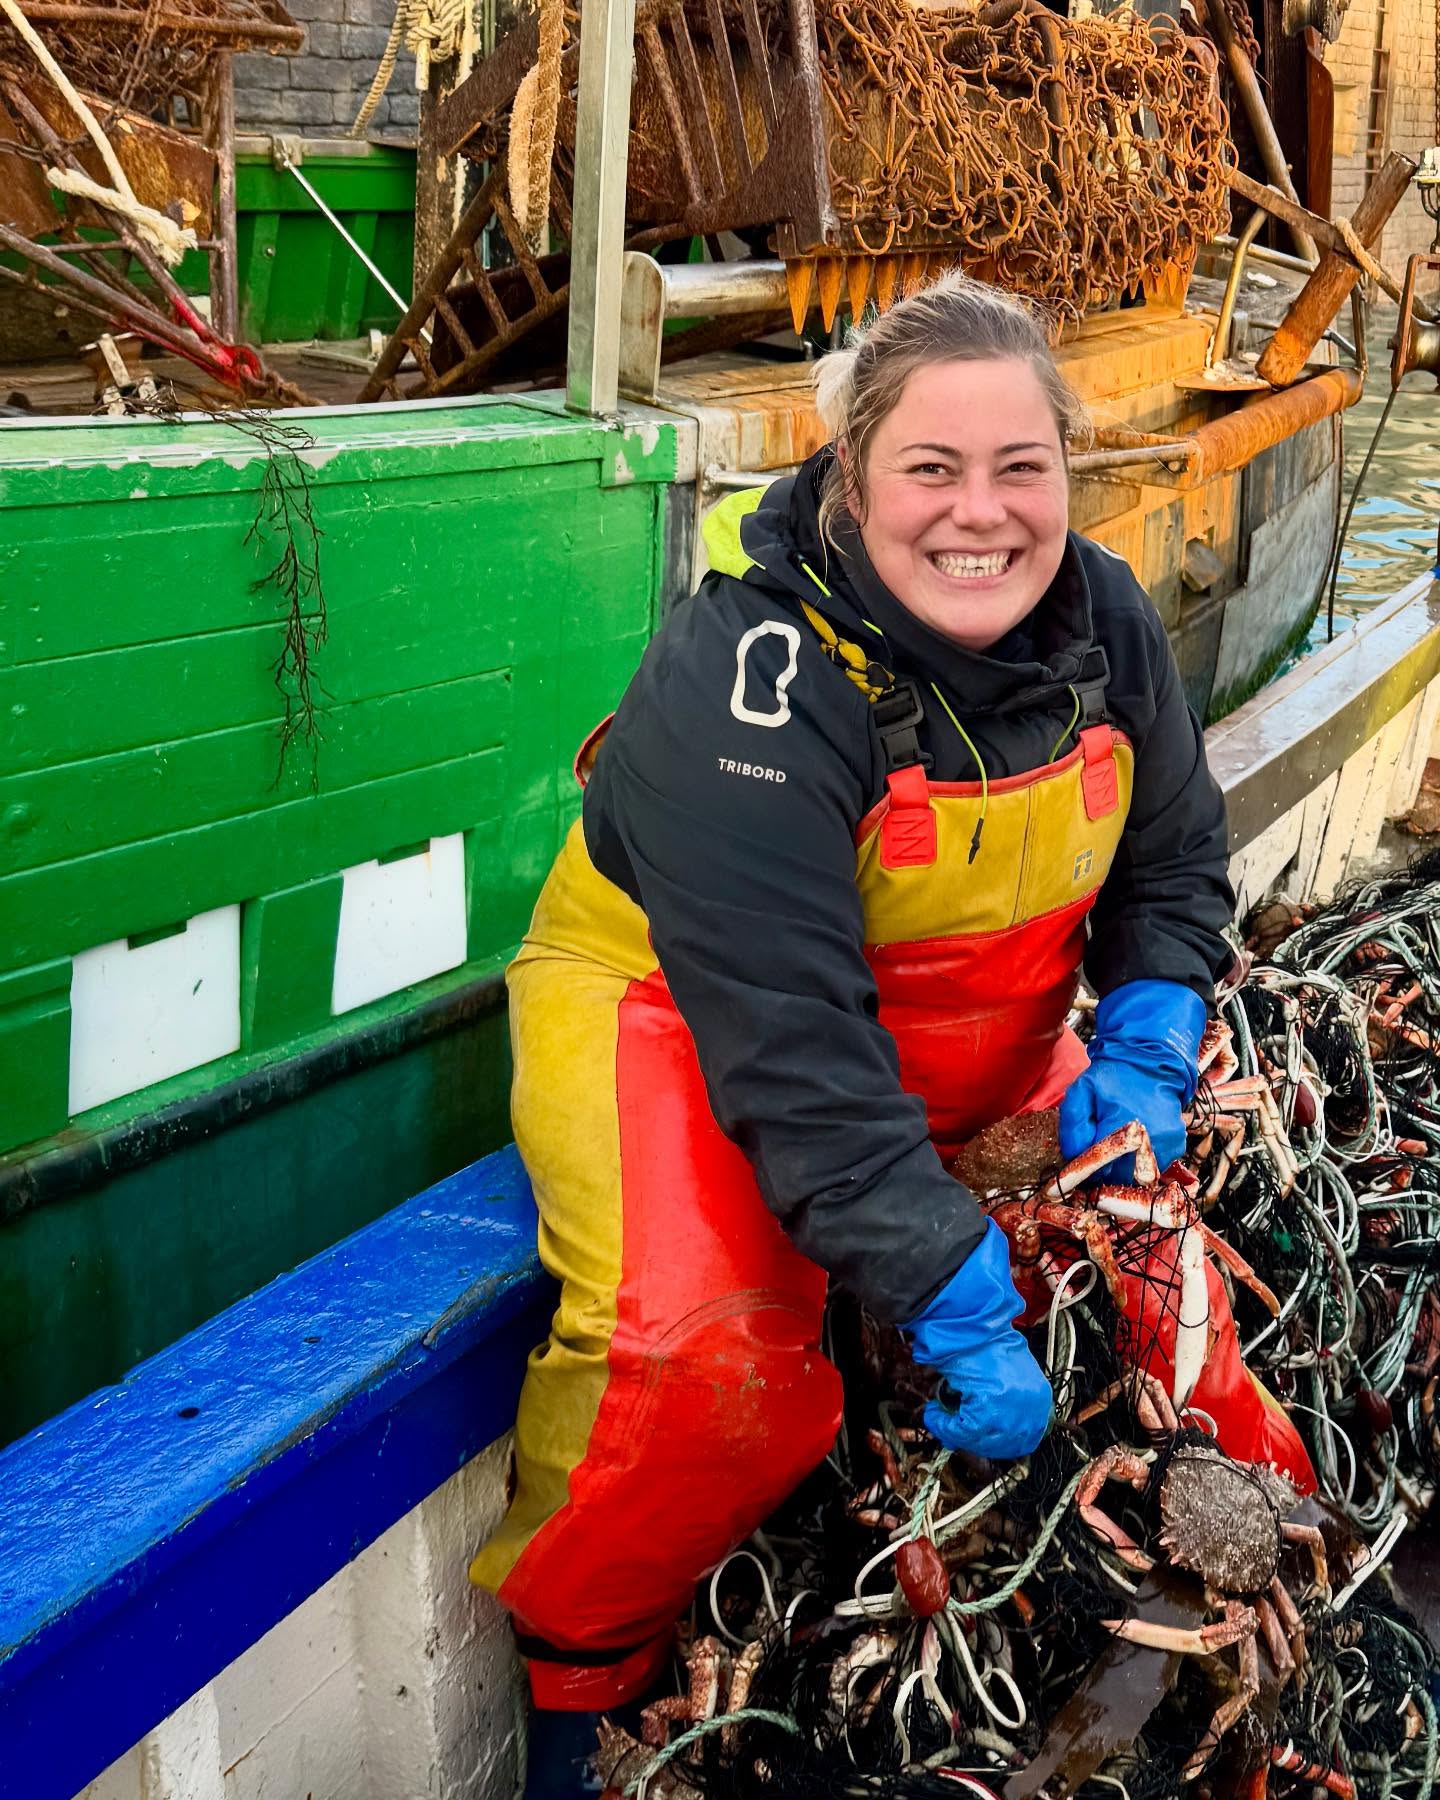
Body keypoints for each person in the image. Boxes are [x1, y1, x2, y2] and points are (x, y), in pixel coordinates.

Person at [470, 271, 1235, 1795]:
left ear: (1070, 478)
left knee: (1173, 1320)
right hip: (693, 1018)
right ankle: (579, 1709)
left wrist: (1148, 1033)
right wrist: (949, 1287)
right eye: (931, 471)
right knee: (705, 1376)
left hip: (968, 1032)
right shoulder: (746, 681)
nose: (983, 515)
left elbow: (1172, 861)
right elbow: (800, 1051)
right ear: (849, 475)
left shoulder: (1110, 621)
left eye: (1023, 469)